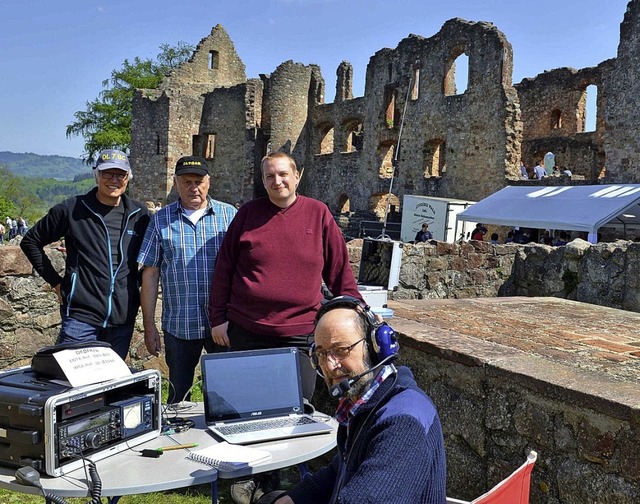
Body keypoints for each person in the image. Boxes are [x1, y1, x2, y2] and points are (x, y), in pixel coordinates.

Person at [209, 151, 362, 401]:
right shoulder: (248, 214)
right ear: (263, 180)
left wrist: (358, 309)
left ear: (297, 177)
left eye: (283, 174)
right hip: (249, 330)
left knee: (298, 406)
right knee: (247, 405)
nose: (277, 181)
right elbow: (224, 268)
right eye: (270, 176)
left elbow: (339, 272)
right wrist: (217, 318)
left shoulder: (318, 213)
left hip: (300, 333)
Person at [267, 296, 447, 504]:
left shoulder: (403, 422)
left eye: (341, 350)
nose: (330, 364)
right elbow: (342, 467)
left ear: (376, 345)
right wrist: (294, 498)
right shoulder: (366, 402)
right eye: (322, 354)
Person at [20, 149, 150, 359]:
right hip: (81, 318)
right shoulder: (72, 210)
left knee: (111, 386)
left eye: (120, 175)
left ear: (128, 178)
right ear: (96, 175)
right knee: (74, 385)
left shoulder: (140, 215)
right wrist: (56, 282)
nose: (114, 180)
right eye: (108, 173)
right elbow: (30, 241)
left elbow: (152, 259)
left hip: (122, 320)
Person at [138, 156, 237, 404]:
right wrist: (149, 325)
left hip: (223, 324)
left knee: (226, 394)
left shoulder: (230, 216)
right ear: (176, 183)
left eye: (199, 181)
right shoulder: (160, 220)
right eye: (186, 182)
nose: (194, 187)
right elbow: (150, 274)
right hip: (180, 325)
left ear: (209, 182)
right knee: (178, 395)